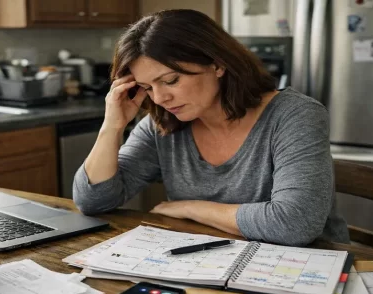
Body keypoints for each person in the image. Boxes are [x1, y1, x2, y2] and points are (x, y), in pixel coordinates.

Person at [72, 9, 350, 246]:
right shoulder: (163, 124)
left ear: (217, 64)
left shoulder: (295, 115)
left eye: (170, 81)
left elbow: (295, 224)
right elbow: (93, 202)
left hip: (306, 273)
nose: (159, 98)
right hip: (208, 265)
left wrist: (190, 208)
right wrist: (112, 126)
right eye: (147, 87)